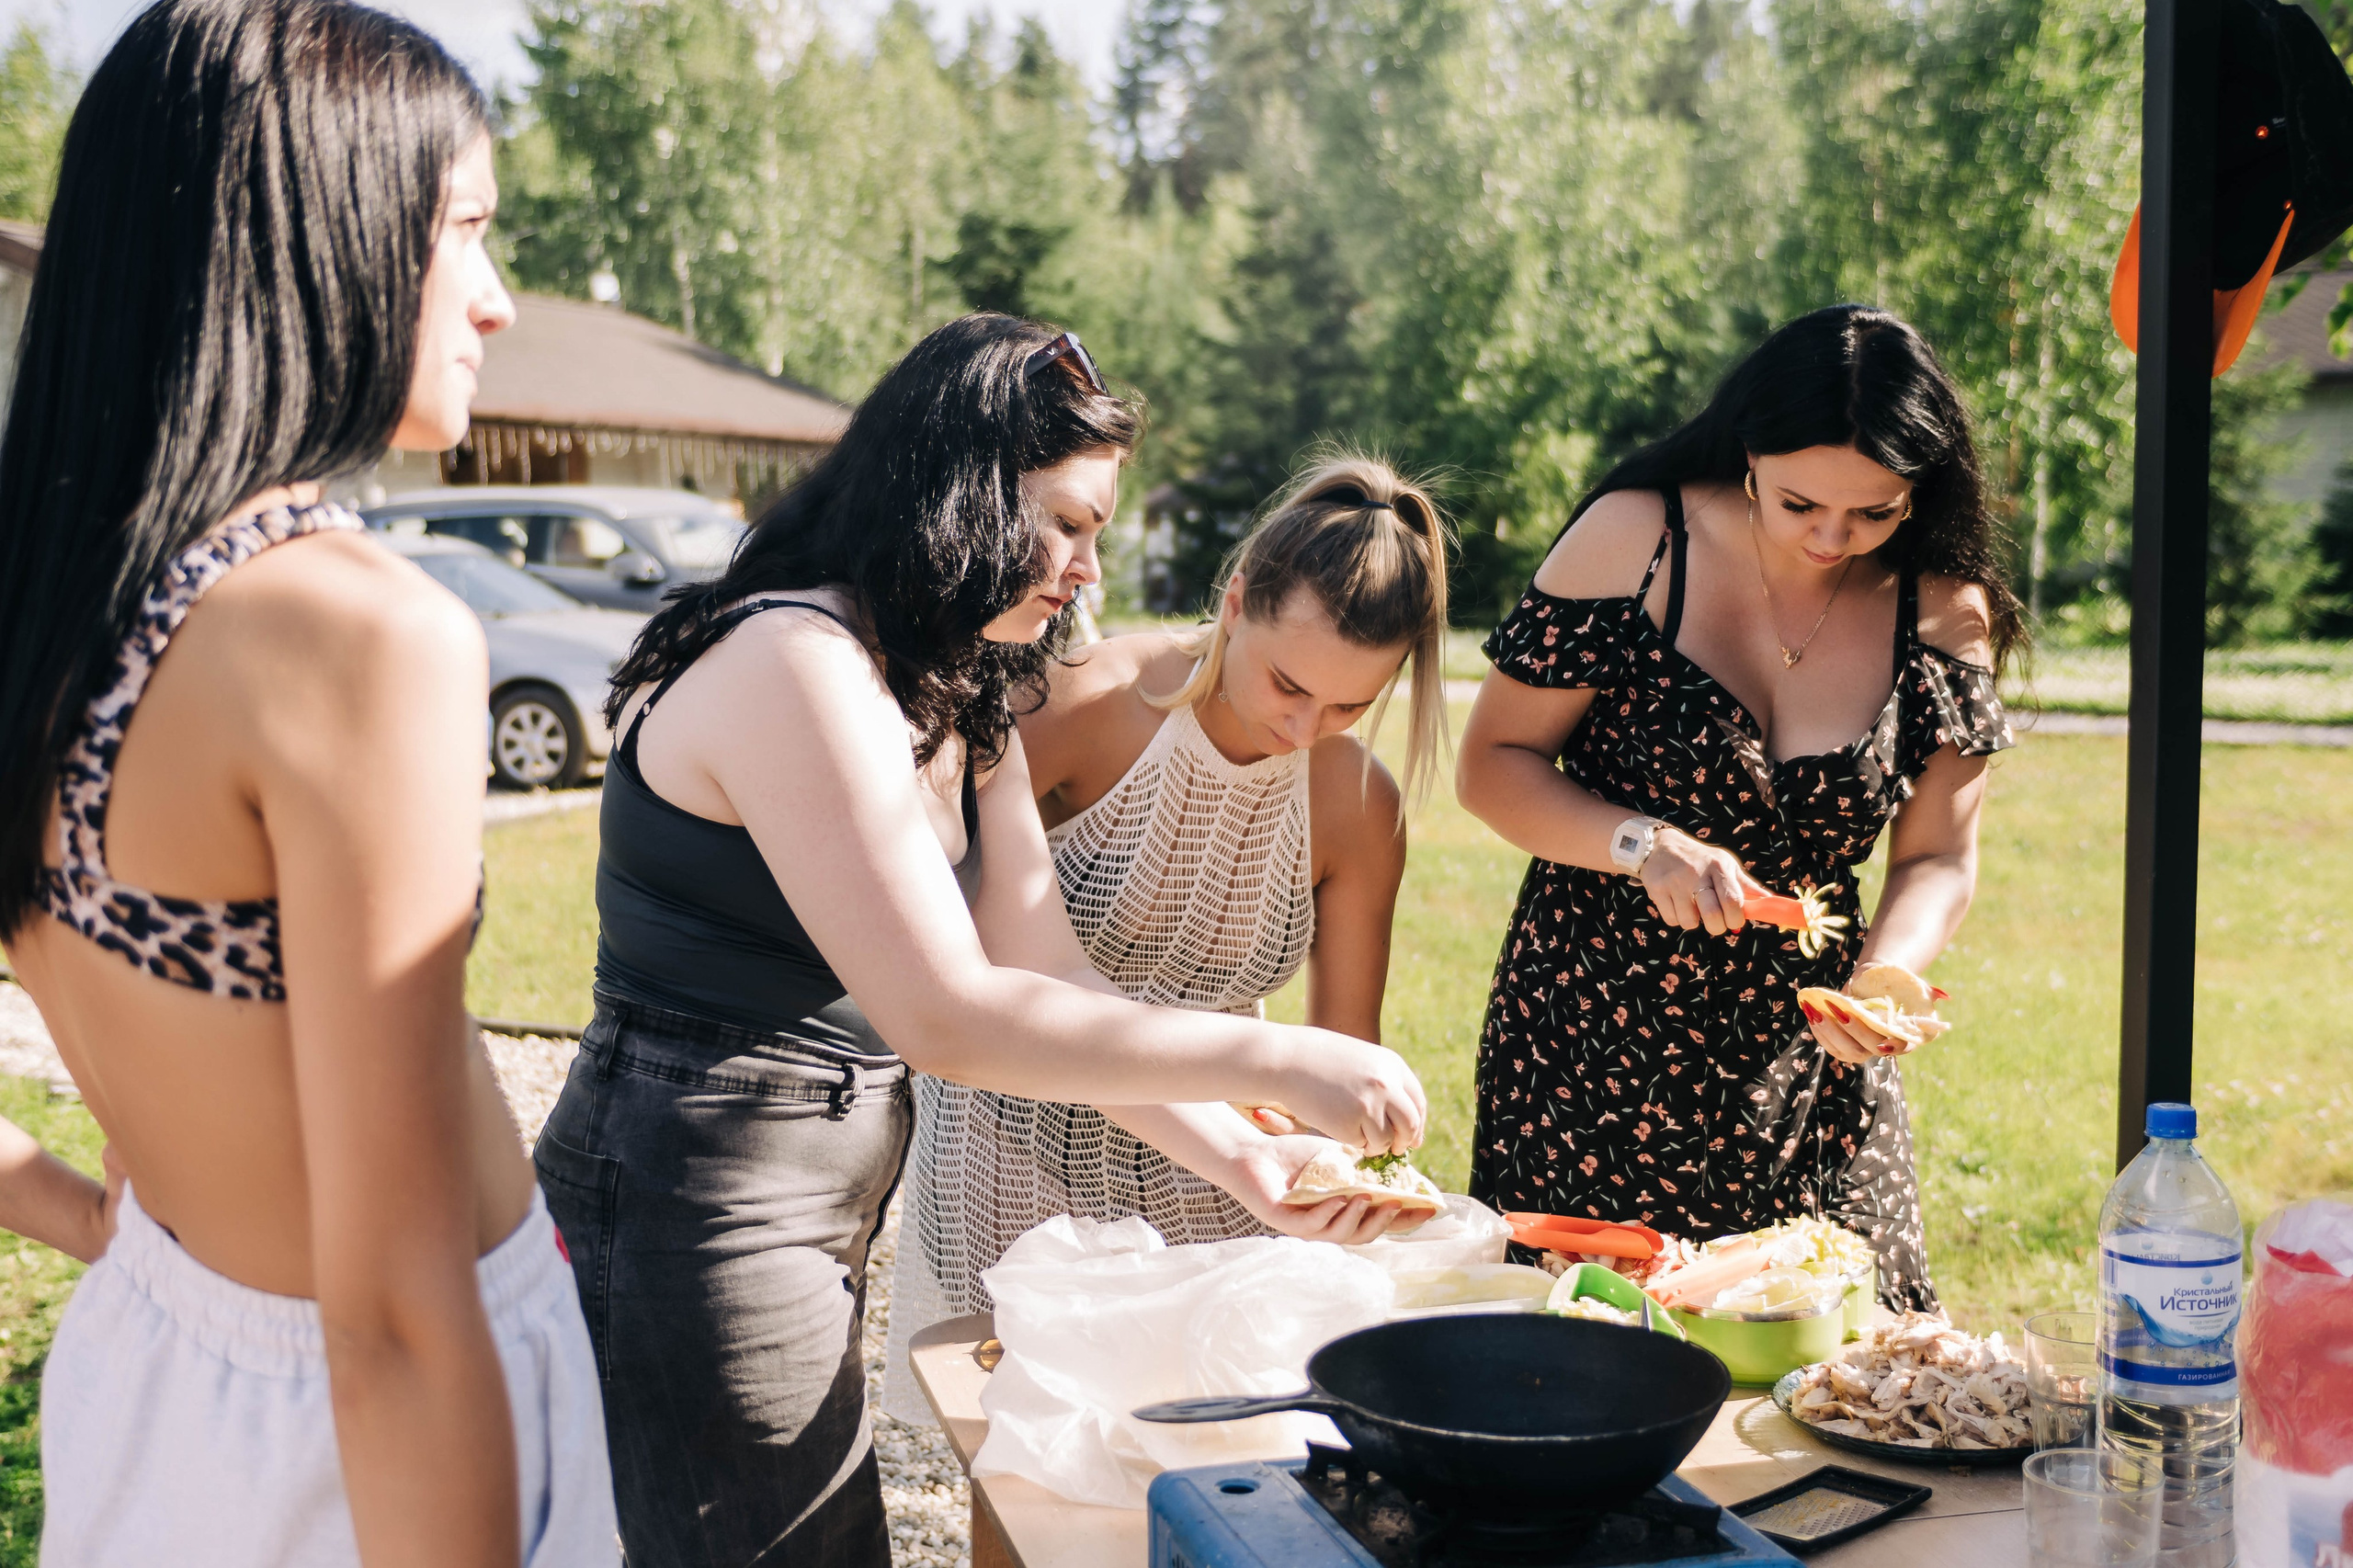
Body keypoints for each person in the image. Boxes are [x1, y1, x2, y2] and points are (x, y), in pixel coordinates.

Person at [534, 315, 1427, 1568]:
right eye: (1064, 523)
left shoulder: (955, 685)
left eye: (1097, 532)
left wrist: (1244, 1158)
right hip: (694, 1186)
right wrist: (1273, 1059)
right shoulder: (798, 657)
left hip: (803, 1190)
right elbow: (946, 1012)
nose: (1085, 570)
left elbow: (1045, 971)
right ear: (958, 489)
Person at [0, 2, 617, 1562]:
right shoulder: (355, 633)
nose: (497, 299)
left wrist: (91, 1220)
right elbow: (393, 1318)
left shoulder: (45, 601)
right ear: (314, 236)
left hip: (152, 1364)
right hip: (371, 1446)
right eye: (466, 230)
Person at [1454, 304, 2018, 1311]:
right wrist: (1641, 843)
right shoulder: (1636, 540)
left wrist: (1885, 975)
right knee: (1584, 1358)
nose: (1832, 538)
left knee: (1847, 1362)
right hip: (1591, 1042)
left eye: (1875, 512)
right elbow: (1493, 763)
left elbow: (1937, 855)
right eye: (1801, 503)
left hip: (1810, 1066)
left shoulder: (1941, 605)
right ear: (1750, 452)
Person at [882, 454, 1453, 1415]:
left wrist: (1358, 1165)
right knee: (1026, 1453)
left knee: (1206, 1450)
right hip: (1018, 1150)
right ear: (1235, 602)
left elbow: (1339, 1055)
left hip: (1225, 1178)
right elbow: (983, 954)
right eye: (1286, 683)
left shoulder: (1359, 803)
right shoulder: (1085, 702)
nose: (1304, 726)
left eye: (1350, 705)